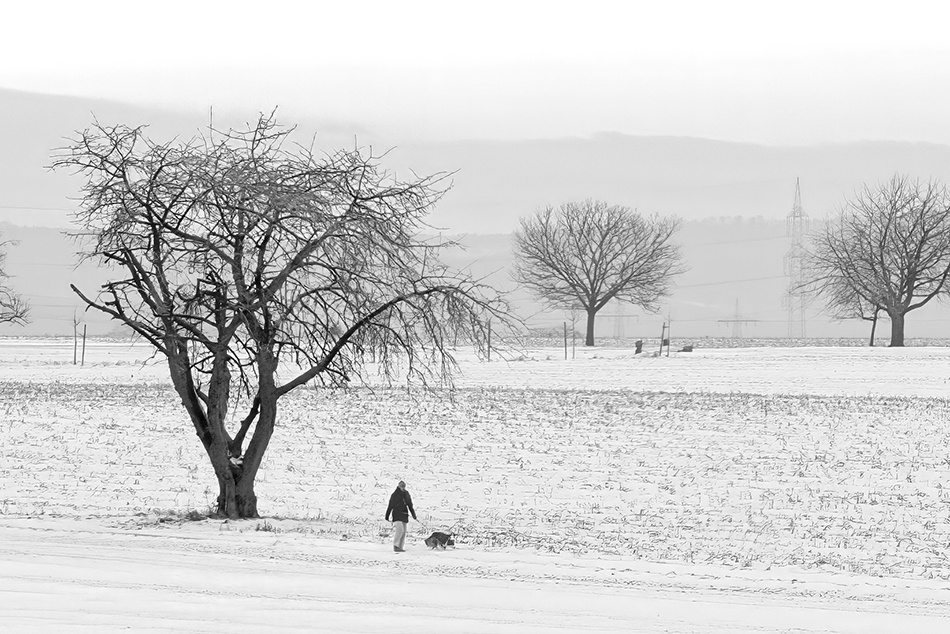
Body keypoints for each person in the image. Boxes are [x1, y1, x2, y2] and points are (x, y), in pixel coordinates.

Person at [385, 480, 417, 552]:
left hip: (404, 514)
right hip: (396, 514)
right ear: (398, 486)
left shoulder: (406, 494)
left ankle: (400, 547)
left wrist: (413, 515)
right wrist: (387, 515)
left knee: (403, 531)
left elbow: (410, 505)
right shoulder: (395, 495)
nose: (402, 488)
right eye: (401, 486)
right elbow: (390, 505)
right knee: (400, 530)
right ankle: (396, 546)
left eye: (403, 487)